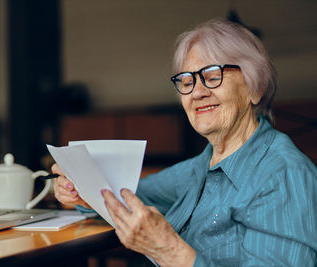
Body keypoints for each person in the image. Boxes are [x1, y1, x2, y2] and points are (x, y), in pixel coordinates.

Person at [51, 19, 317, 266]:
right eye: (187, 81)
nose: (198, 92)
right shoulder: (203, 167)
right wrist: (81, 189)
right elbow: (128, 195)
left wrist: (168, 250)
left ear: (254, 88)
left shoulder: (283, 175)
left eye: (213, 76)